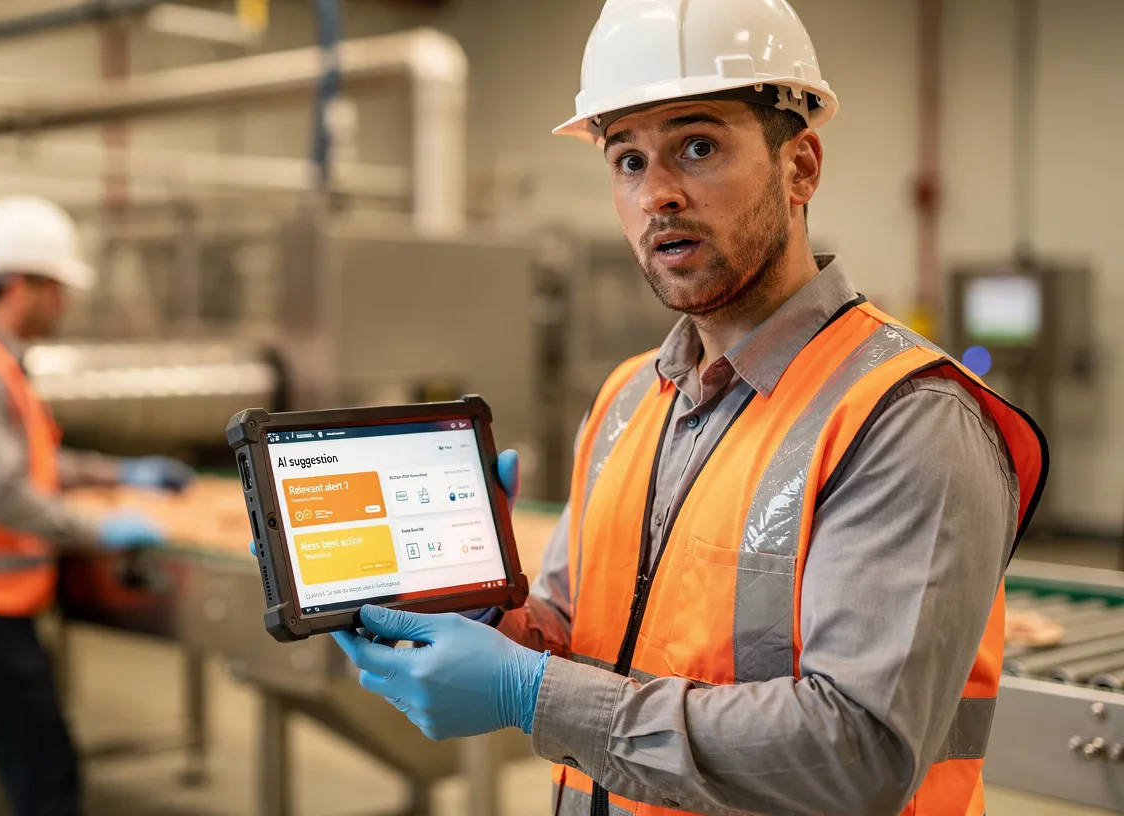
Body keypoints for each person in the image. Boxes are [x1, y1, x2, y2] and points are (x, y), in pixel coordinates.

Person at [328, 2, 1048, 815]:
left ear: (801, 166)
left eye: (697, 148)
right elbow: (581, 635)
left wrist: (533, 698)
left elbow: (859, 749)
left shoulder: (907, 417)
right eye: (627, 161)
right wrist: (493, 612)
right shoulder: (631, 396)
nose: (658, 194)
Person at [0, 195, 196, 816]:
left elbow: (34, 464)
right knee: (46, 773)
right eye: (60, 287)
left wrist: (124, 472)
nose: (66, 303)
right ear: (25, 284)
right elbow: (1, 494)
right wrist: (99, 529)